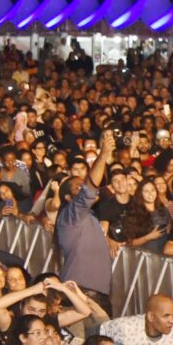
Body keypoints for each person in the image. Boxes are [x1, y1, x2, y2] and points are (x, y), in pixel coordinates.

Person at [54, 130, 114, 312]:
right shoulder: (70, 214)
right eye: (77, 187)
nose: (82, 188)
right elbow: (89, 188)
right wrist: (103, 154)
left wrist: (108, 239)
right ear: (66, 197)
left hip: (95, 292)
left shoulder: (86, 216)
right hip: (82, 292)